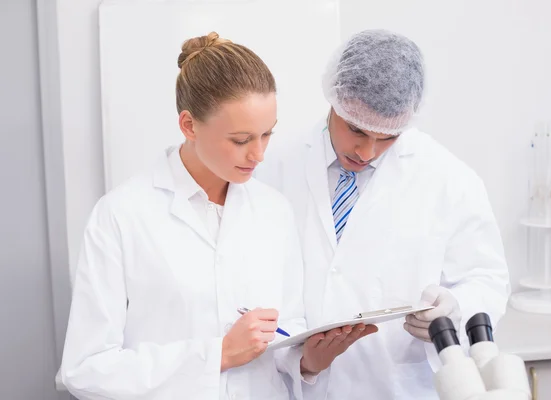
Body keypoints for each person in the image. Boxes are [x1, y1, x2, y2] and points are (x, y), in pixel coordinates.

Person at [60, 32, 373, 400]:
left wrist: (308, 361)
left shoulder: (274, 211)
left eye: (267, 134)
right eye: (241, 140)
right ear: (189, 125)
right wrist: (217, 355)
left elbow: (284, 332)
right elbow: (85, 370)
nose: (258, 155)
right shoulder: (121, 215)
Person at [255, 29, 511, 399]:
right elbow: (248, 288)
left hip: (399, 387)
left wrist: (454, 312)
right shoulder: (273, 166)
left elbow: (485, 278)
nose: (367, 151)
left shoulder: (449, 179)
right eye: (356, 129)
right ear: (334, 100)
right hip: (294, 386)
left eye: (388, 136)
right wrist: (301, 359)